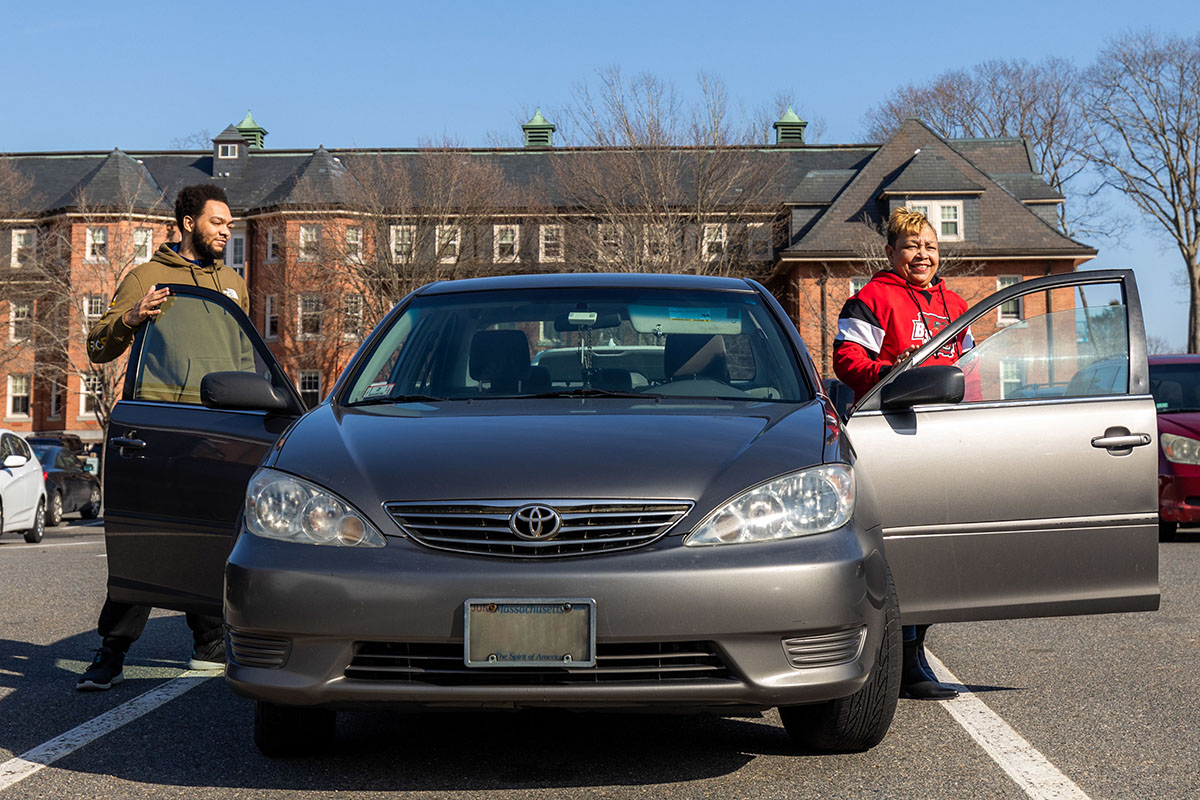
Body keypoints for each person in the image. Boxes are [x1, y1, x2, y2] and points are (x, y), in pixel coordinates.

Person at [77, 184, 249, 691]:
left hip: (223, 433)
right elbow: (97, 345)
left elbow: (244, 359)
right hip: (161, 431)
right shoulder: (147, 278)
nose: (226, 230)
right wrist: (132, 317)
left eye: (230, 223)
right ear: (188, 222)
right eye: (217, 222)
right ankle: (110, 653)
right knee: (148, 544)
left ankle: (211, 642)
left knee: (217, 539)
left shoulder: (234, 284)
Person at [832, 207, 973, 700]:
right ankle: (897, 654)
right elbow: (847, 361)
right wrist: (892, 375)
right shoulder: (872, 299)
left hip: (946, 438)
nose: (923, 254)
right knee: (897, 545)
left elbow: (970, 370)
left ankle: (915, 654)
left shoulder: (957, 305)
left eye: (931, 246)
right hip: (890, 434)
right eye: (912, 245)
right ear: (892, 252)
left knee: (939, 543)